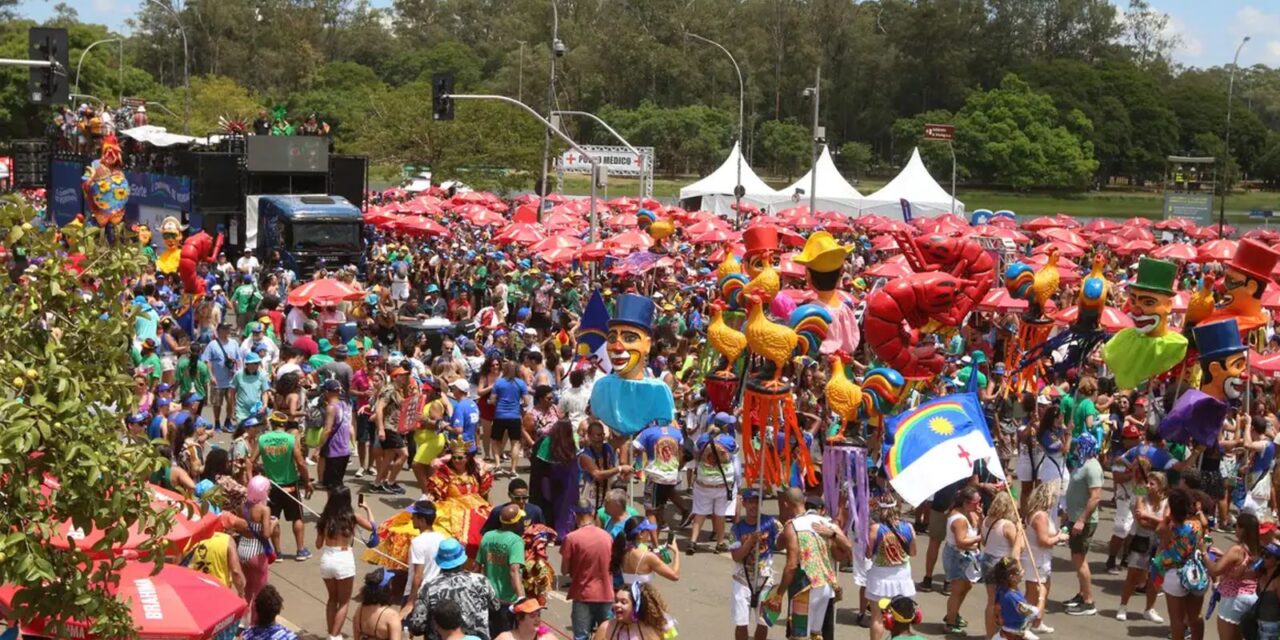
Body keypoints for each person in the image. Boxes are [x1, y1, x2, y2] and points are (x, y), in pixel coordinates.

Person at [771, 488, 849, 639]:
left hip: (805, 588)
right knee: (816, 634)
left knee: (799, 635)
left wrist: (779, 593)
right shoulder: (825, 523)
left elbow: (791, 565)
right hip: (826, 587)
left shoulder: (793, 526)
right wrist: (832, 534)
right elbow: (848, 546)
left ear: (786, 504)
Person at [407, 538, 498, 640]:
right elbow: (496, 608)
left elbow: (417, 627)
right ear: (462, 560)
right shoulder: (481, 581)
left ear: (439, 561)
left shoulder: (429, 588)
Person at [253, 407, 313, 560]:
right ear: (284, 424)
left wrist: (259, 471)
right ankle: (300, 550)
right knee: (297, 517)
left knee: (273, 518)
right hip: (290, 484)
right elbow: (301, 463)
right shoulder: (290, 439)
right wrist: (307, 481)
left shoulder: (262, 439)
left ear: (272, 423)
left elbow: (251, 460)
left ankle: (277, 552)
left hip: (271, 485)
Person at [316, 486, 375, 640]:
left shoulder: (324, 519)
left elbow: (318, 544)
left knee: (332, 599)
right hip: (343, 558)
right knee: (344, 602)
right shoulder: (352, 517)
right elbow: (372, 527)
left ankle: (331, 633)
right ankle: (334, 635)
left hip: (327, 558)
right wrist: (367, 508)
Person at [1153, 487, 1209, 640]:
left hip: (1174, 573)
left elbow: (1159, 530)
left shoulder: (1169, 527)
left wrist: (1167, 517)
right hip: (1195, 572)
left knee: (1176, 620)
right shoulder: (1196, 525)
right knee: (1195, 616)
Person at [1116, 470, 1167, 623]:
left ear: (1161, 486)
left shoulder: (1167, 501)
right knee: (1132, 575)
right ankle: (1123, 606)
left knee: (1155, 578)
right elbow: (1141, 521)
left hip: (1160, 543)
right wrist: (1158, 525)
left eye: (1152, 483)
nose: (1148, 486)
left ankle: (1149, 609)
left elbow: (1167, 522)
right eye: (1147, 483)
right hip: (1142, 539)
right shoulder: (1141, 496)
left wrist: (1150, 518)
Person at [429, 438, 495, 554]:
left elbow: (484, 494)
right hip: (452, 510)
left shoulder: (476, 473)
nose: (456, 460)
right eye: (454, 457)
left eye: (460, 458)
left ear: (467, 458)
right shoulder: (444, 474)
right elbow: (435, 494)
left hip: (477, 508)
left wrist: (491, 508)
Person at [729, 488, 779, 640]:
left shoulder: (771, 523)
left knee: (763, 622)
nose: (753, 506)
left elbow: (782, 543)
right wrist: (750, 542)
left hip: (765, 578)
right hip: (742, 579)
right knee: (741, 622)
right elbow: (736, 556)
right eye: (750, 502)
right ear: (744, 503)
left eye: (757, 502)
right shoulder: (736, 529)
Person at [562, 499, 615, 640]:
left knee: (581, 636)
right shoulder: (607, 536)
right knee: (608, 635)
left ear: (575, 515)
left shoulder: (571, 538)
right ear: (592, 512)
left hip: (582, 594)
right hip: (606, 593)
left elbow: (564, 570)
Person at [1064, 433, 1104, 616]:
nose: (1076, 448)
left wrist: (1081, 520)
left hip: (1084, 521)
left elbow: (1095, 497)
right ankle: (1082, 594)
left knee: (1079, 559)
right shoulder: (1082, 464)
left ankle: (1089, 602)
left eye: (1079, 445)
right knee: (1079, 558)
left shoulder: (1093, 468)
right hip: (1075, 518)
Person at [1209, 512, 1261, 640]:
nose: (1235, 529)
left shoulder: (1237, 550)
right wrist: (1224, 556)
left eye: (1237, 526)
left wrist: (1204, 554)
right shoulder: (1259, 549)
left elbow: (1215, 570)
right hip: (1252, 597)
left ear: (1243, 530)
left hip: (1233, 599)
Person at [867, 505, 916, 640]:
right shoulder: (908, 527)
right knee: (903, 615)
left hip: (879, 577)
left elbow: (868, 554)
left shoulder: (875, 528)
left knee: (877, 617)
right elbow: (913, 553)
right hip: (902, 576)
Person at [479, 503, 527, 636]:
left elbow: (477, 566)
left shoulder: (487, 536)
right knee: (506, 635)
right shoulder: (516, 541)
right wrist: (521, 597)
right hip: (507, 601)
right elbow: (514, 570)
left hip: (488, 598)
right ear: (515, 523)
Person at [981, 492, 1024, 640]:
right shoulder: (1007, 525)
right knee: (1006, 598)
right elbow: (1019, 549)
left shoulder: (986, 520)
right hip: (1001, 565)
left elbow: (984, 542)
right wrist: (1019, 532)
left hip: (987, 560)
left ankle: (989, 635)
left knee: (991, 600)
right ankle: (1007, 631)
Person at [688, 427, 737, 554]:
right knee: (720, 514)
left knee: (700, 512)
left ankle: (693, 541)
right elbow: (734, 453)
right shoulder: (729, 440)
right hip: (722, 483)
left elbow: (695, 453)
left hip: (703, 482)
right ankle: (719, 543)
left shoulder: (702, 439)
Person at [941, 486, 983, 633]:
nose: (978, 505)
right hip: (958, 557)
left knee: (966, 587)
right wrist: (979, 538)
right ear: (966, 502)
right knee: (957, 590)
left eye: (979, 502)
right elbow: (960, 541)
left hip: (965, 556)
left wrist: (981, 516)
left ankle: (953, 614)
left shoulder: (968, 513)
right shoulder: (960, 519)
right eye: (976, 503)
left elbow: (978, 527)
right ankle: (950, 623)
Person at [238, 475, 276, 623]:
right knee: (259, 591)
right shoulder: (264, 509)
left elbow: (239, 527)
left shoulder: (242, 506)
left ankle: (242, 620)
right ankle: (255, 623)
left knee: (247, 588)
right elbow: (266, 534)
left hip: (242, 548)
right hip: (257, 552)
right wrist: (274, 523)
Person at [372, 366, 414, 495]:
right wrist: (381, 429)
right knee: (404, 454)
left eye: (406, 375)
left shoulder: (397, 390)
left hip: (395, 427)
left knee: (389, 456)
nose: (405, 378)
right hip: (389, 427)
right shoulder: (389, 390)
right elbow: (379, 408)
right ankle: (390, 482)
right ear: (395, 377)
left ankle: (377, 483)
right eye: (402, 375)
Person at [403, 500, 446, 619]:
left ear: (422, 520)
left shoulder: (418, 542)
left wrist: (410, 601)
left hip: (418, 593)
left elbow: (418, 575)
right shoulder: (441, 538)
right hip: (435, 592)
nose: (411, 518)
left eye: (414, 516)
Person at [613, 516, 680, 586]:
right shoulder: (648, 556)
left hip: (625, 591)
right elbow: (675, 576)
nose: (649, 532)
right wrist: (676, 552)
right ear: (640, 534)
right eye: (647, 530)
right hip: (643, 593)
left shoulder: (622, 550)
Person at [592, 583, 673, 640]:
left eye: (623, 602)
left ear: (635, 606)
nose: (617, 605)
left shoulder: (648, 631)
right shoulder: (605, 628)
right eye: (616, 601)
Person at [490, 361, 528, 477]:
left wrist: (495, 403)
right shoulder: (521, 383)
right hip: (515, 416)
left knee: (496, 441)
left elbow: (492, 400)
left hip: (499, 415)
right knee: (515, 443)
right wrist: (518, 405)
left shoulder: (499, 382)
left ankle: (498, 465)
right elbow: (526, 402)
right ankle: (513, 470)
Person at [202, 323, 242, 432]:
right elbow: (207, 361)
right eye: (224, 329)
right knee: (217, 403)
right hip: (217, 380)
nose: (227, 331)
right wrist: (211, 376)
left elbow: (239, 359)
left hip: (231, 379)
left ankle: (228, 421)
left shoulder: (234, 343)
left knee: (231, 401)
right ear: (219, 330)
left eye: (228, 328)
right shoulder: (212, 344)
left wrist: (236, 367)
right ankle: (217, 422)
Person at [990, 557, 1042, 639]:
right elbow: (1035, 613)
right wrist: (1041, 596)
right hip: (1013, 634)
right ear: (1012, 577)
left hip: (1008, 631)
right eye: (1020, 571)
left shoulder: (1002, 589)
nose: (1023, 572)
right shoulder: (1013, 598)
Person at [354, 569, 403, 640]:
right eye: (390, 584)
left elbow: (356, 637)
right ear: (386, 589)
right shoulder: (391, 616)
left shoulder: (360, 609)